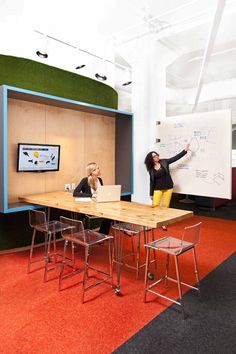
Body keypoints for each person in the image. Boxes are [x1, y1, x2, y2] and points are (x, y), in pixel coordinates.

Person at [144, 144, 190, 229]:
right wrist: (151, 193)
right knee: (155, 206)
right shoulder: (151, 169)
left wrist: (185, 151)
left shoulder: (164, 162)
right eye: (154, 156)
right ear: (151, 159)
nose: (157, 156)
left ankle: (163, 223)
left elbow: (175, 158)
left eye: (157, 155)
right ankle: (152, 223)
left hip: (168, 188)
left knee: (165, 206)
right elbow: (151, 181)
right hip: (157, 189)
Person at [73, 162, 111, 235]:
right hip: (89, 208)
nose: (98, 170)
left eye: (98, 168)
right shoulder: (85, 180)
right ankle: (102, 235)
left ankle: (101, 235)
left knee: (111, 216)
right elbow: (75, 193)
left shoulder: (100, 180)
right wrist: (91, 195)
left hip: (100, 205)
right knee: (109, 216)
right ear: (92, 171)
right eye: (96, 169)